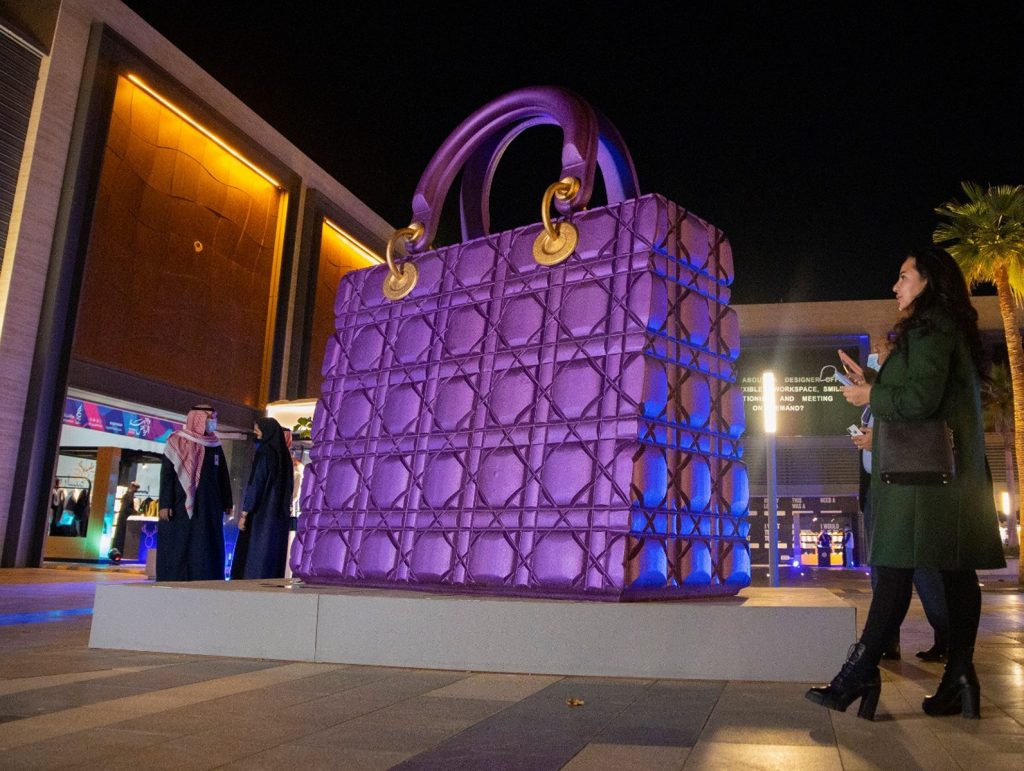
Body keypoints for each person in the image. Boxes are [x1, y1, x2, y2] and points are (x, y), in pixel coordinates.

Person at [806, 247, 1005, 720]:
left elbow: (919, 400)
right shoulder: (942, 327)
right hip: (944, 478)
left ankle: (859, 673)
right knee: (953, 572)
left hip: (924, 481)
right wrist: (872, 378)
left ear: (928, 281)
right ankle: (959, 677)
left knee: (896, 566)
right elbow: (923, 389)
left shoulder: (930, 328)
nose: (895, 286)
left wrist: (870, 393)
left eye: (903, 277)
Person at [848, 351, 950, 663]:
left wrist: (877, 441)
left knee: (920, 566)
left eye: (882, 354)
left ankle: (947, 637)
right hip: (876, 488)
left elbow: (915, 435)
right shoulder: (875, 404)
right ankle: (885, 640)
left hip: (900, 488)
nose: (877, 358)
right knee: (881, 568)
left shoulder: (907, 396)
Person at [157, 405, 233, 581]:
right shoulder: (176, 442)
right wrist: (165, 503)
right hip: (180, 505)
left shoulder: (215, 444)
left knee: (205, 543)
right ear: (198, 419)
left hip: (209, 506)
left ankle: (206, 577)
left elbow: (223, 475)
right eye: (209, 419)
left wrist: (227, 501)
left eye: (214, 418)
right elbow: (167, 475)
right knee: (181, 542)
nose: (213, 422)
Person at [230, 417, 293, 580]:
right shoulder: (285, 456)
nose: (256, 432)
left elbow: (256, 483)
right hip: (278, 516)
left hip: (261, 516)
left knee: (254, 554)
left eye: (258, 429)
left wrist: (245, 513)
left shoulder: (264, 452)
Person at [109, 480, 140, 561]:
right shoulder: (128, 496)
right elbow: (126, 508)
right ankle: (117, 553)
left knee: (120, 537)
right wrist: (135, 512)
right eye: (136, 488)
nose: (136, 490)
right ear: (132, 487)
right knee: (121, 537)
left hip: (124, 519)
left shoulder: (128, 496)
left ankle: (117, 553)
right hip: (124, 520)